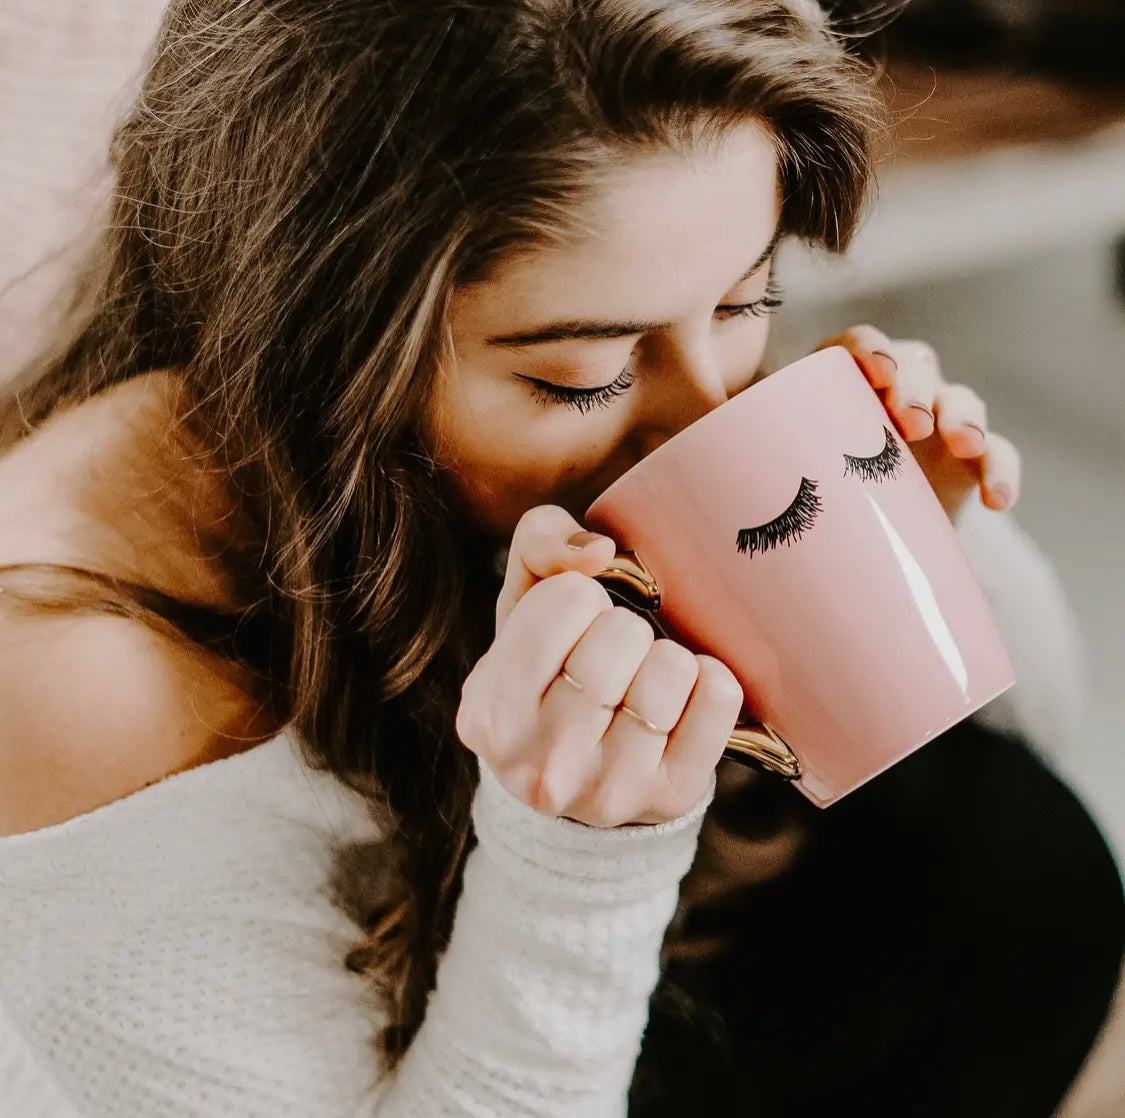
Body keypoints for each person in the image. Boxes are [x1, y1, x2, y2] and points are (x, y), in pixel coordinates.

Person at [0, 1, 1120, 1115]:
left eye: (746, 299)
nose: (710, 410)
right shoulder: (78, 680)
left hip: (641, 970)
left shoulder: (515, 418)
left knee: (989, 838)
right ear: (316, 338)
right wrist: (579, 860)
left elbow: (1025, 727)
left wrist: (918, 530)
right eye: (582, 376)